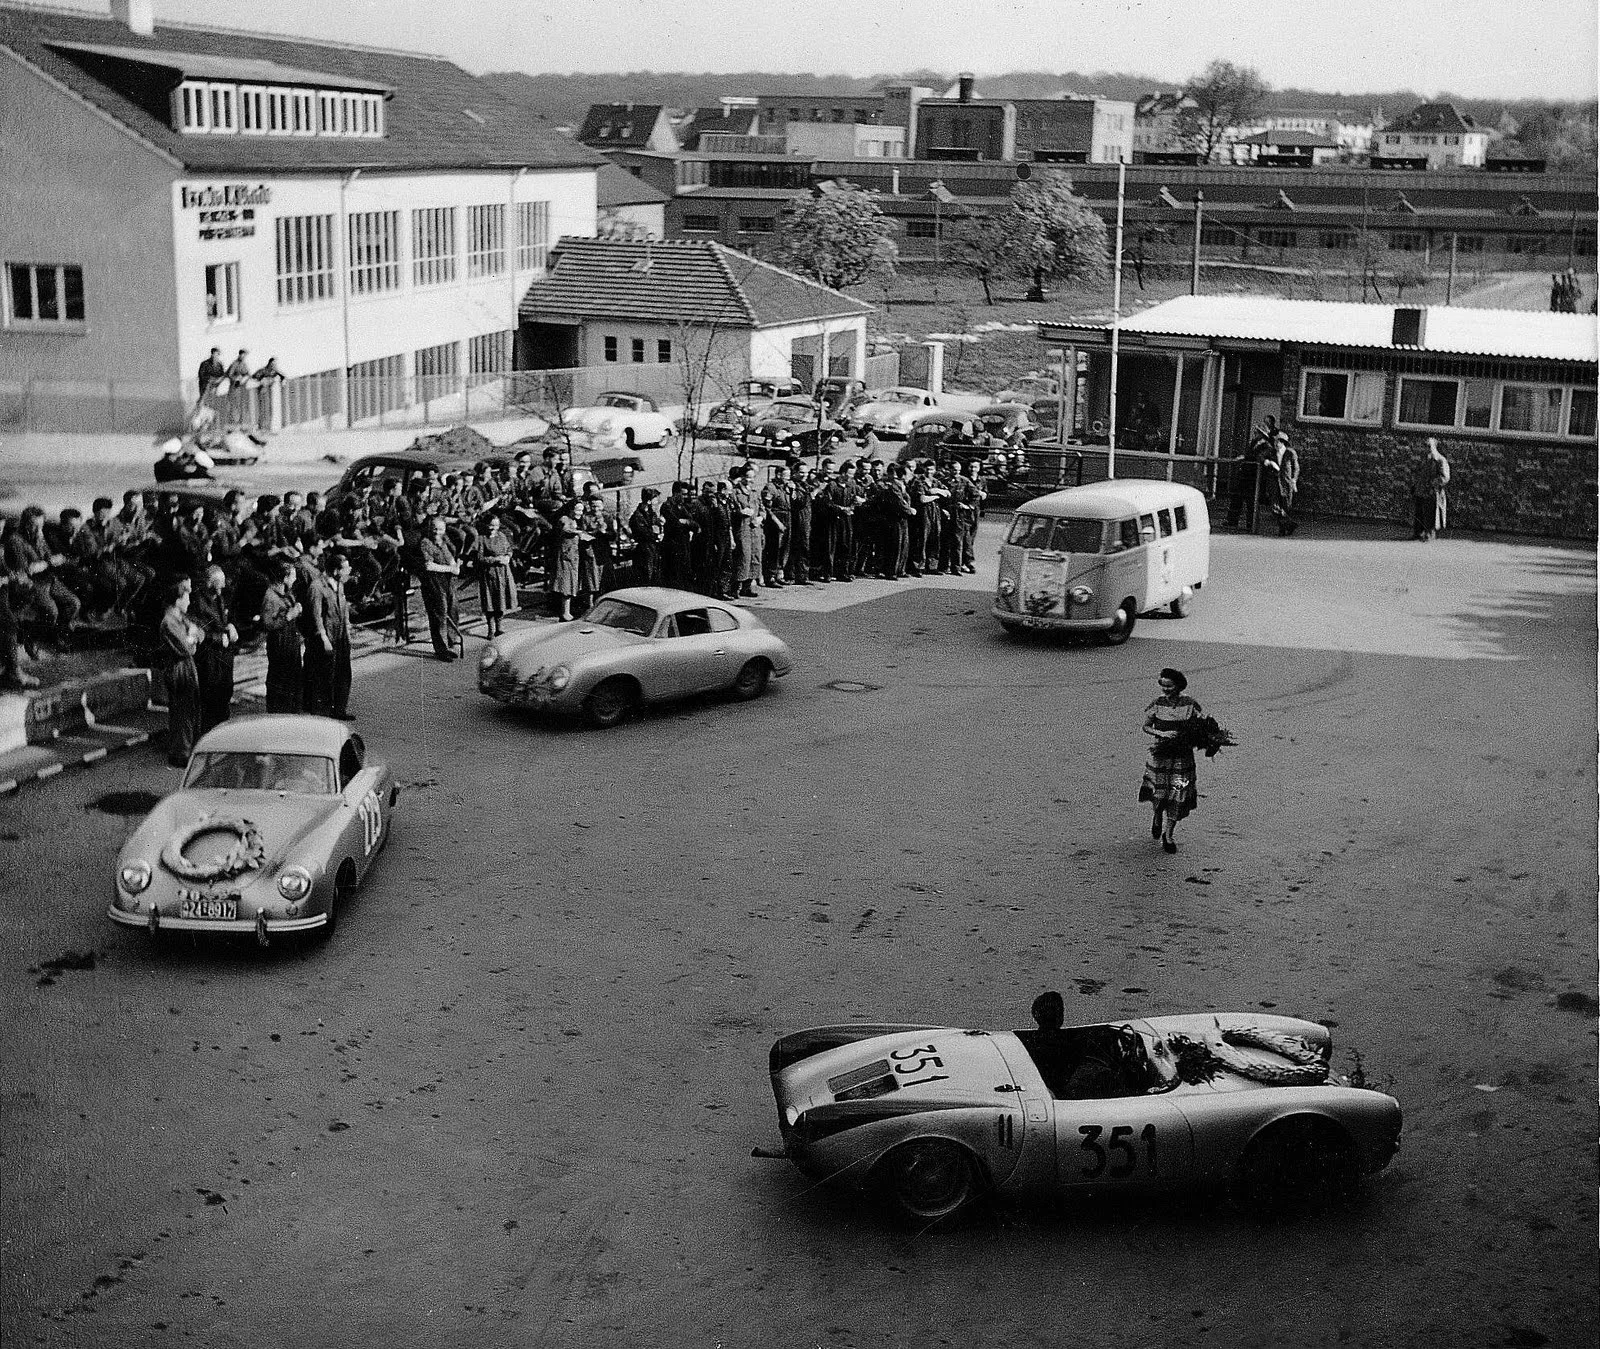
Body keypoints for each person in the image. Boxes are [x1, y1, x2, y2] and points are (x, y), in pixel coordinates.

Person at [1140, 667, 1203, 854]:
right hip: (1160, 756)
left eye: (1169, 686)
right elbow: (1146, 726)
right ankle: (1157, 817)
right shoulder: (1157, 703)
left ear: (1179, 685)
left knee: (1178, 793)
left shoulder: (1190, 704)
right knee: (1159, 792)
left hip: (1182, 758)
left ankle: (1168, 835)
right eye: (1163, 685)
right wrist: (1162, 733)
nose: (1166, 689)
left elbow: (1200, 726)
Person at [158, 580, 203, 766]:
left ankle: (186, 749)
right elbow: (186, 647)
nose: (189, 602)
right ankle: (180, 753)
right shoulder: (169, 622)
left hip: (186, 666)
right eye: (186, 598)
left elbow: (200, 634)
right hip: (178, 669)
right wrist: (192, 636)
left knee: (190, 709)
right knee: (182, 712)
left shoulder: (180, 619)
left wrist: (192, 636)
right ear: (177, 600)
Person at [190, 565, 237, 734]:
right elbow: (199, 630)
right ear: (209, 584)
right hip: (208, 657)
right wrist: (218, 637)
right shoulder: (197, 602)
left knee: (224, 694)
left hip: (223, 657)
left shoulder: (218, 598)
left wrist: (229, 626)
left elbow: (222, 620)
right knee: (210, 699)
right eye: (219, 585)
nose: (222, 589)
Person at [260, 557, 303, 713]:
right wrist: (288, 617)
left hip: (291, 644)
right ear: (284, 577)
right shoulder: (270, 596)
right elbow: (267, 623)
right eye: (293, 576)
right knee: (280, 681)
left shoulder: (287, 594)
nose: (295, 579)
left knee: (293, 681)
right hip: (279, 645)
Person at [417, 515, 461, 659]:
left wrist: (454, 566)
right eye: (434, 528)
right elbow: (429, 566)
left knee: (452, 610)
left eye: (440, 529)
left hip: (447, 581)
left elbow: (450, 559)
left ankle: (451, 644)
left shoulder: (443, 542)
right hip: (433, 582)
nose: (437, 532)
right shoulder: (425, 543)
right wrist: (450, 569)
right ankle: (442, 649)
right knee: (439, 614)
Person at [473, 512, 517, 637]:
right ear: (486, 524)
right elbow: (480, 558)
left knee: (501, 600)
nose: (493, 528)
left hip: (503, 573)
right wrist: (495, 560)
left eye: (496, 525)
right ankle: (490, 629)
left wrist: (508, 557)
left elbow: (509, 549)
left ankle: (499, 627)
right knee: (490, 601)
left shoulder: (501, 536)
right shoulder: (481, 539)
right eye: (491, 525)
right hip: (489, 574)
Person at [1410, 438, 1451, 542]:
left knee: (1431, 514)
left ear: (1434, 447)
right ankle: (1418, 533)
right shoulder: (1423, 460)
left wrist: (1433, 483)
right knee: (1419, 513)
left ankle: (1429, 534)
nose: (1426, 449)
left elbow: (1445, 477)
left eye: (1429, 446)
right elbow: (1417, 473)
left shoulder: (1440, 460)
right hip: (1421, 490)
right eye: (1425, 446)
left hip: (1432, 492)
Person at [550, 499, 581, 621]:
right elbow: (565, 529)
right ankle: (565, 612)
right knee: (566, 584)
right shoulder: (564, 519)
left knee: (571, 582)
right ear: (571, 509)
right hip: (565, 556)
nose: (580, 513)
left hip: (572, 556)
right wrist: (578, 532)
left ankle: (566, 611)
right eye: (578, 510)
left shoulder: (574, 520)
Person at [629, 488, 663, 587]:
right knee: (646, 575)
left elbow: (656, 525)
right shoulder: (638, 515)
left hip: (653, 547)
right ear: (649, 501)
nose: (657, 501)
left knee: (654, 574)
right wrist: (656, 535)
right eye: (655, 499)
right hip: (644, 548)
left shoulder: (651, 513)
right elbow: (643, 532)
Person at [1273, 428, 1300, 537]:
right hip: (1275, 483)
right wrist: (1268, 461)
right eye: (1275, 441)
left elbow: (1296, 468)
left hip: (1286, 483)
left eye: (1278, 442)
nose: (1276, 444)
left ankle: (1283, 528)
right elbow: (1262, 456)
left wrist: (1294, 479)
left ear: (1283, 443)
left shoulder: (1290, 453)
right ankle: (1290, 525)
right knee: (1275, 507)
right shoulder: (1273, 453)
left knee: (1286, 506)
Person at [252, 356, 285, 431]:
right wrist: (262, 380)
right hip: (262, 391)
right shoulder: (263, 370)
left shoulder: (274, 371)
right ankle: (262, 427)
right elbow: (255, 376)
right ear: (269, 363)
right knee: (263, 408)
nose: (274, 365)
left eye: (275, 364)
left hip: (270, 392)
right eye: (273, 364)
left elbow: (282, 376)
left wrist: (282, 381)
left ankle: (268, 427)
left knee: (269, 408)